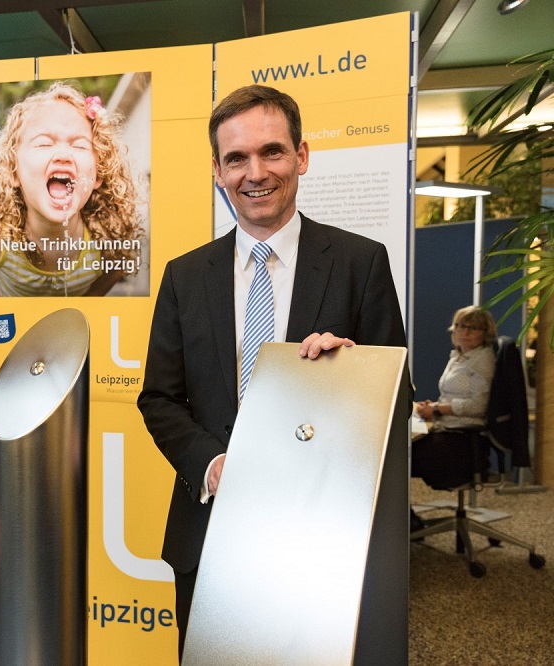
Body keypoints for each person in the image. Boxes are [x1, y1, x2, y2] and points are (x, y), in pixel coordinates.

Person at [137, 84, 408, 660]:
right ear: (217, 169)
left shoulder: (361, 263)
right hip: (210, 532)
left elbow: (399, 401)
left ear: (302, 156)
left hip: (322, 531)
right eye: (235, 158)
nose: (254, 172)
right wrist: (212, 468)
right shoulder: (185, 277)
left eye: (272, 152)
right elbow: (159, 398)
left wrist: (354, 371)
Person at [0, 81, 144, 297]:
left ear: (98, 174)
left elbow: (120, 263)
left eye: (79, 145)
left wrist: (87, 303)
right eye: (44, 144)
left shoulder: (104, 241)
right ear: (14, 171)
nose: (64, 155)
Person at [411, 306, 497, 489]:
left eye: (473, 328)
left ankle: (407, 517)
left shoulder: (482, 361)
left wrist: (437, 409)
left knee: (400, 458)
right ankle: (405, 516)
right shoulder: (459, 355)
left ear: (485, 333)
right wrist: (434, 406)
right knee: (397, 451)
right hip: (445, 428)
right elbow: (455, 395)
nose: (464, 332)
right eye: (460, 325)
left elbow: (479, 406)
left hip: (462, 440)